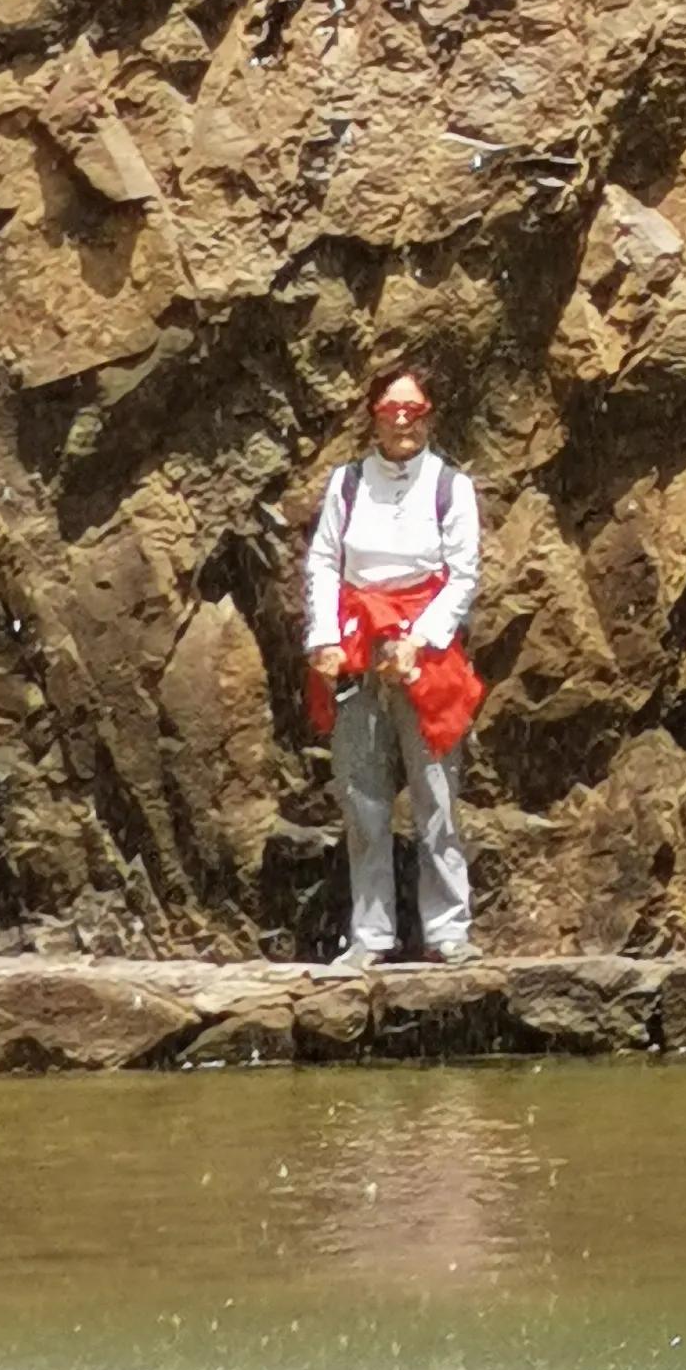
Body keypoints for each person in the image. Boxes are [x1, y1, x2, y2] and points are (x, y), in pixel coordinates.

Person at [302, 366, 484, 965]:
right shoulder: (347, 483)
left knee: (436, 796)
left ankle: (448, 930)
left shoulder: (449, 487)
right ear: (373, 413)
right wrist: (323, 637)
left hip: (423, 653)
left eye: (414, 408)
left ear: (429, 413)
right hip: (358, 645)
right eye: (391, 407)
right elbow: (325, 561)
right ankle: (372, 936)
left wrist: (422, 640)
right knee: (363, 799)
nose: (402, 419)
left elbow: (463, 575)